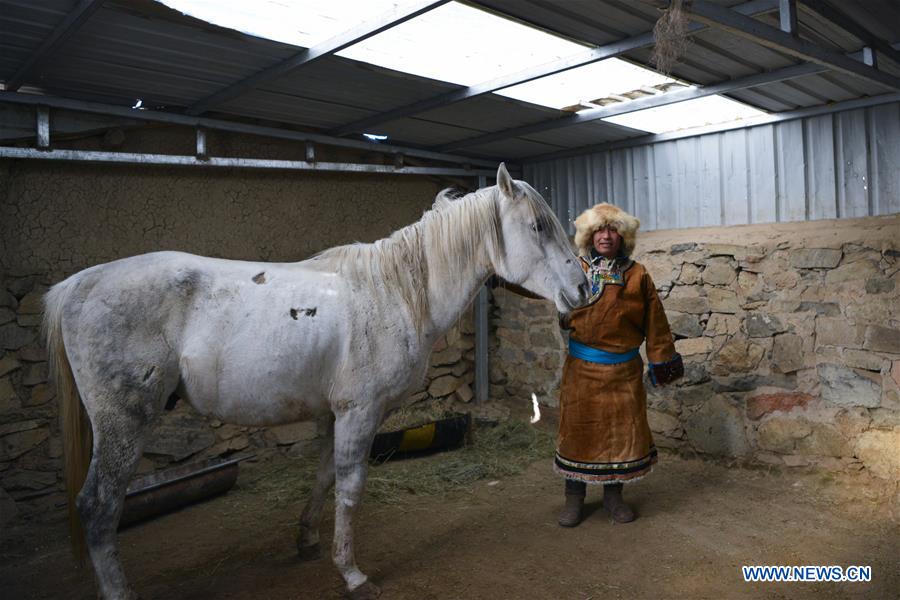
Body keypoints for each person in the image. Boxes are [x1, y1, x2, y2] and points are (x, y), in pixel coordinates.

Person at [556, 203, 683, 527]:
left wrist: (661, 363)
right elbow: (542, 287)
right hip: (581, 371)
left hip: (623, 374)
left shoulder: (637, 275)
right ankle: (574, 498)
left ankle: (613, 497)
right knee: (578, 433)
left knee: (618, 436)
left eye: (613, 230)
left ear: (623, 236)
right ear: (589, 235)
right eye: (599, 229)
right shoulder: (574, 268)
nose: (606, 236)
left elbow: (656, 323)